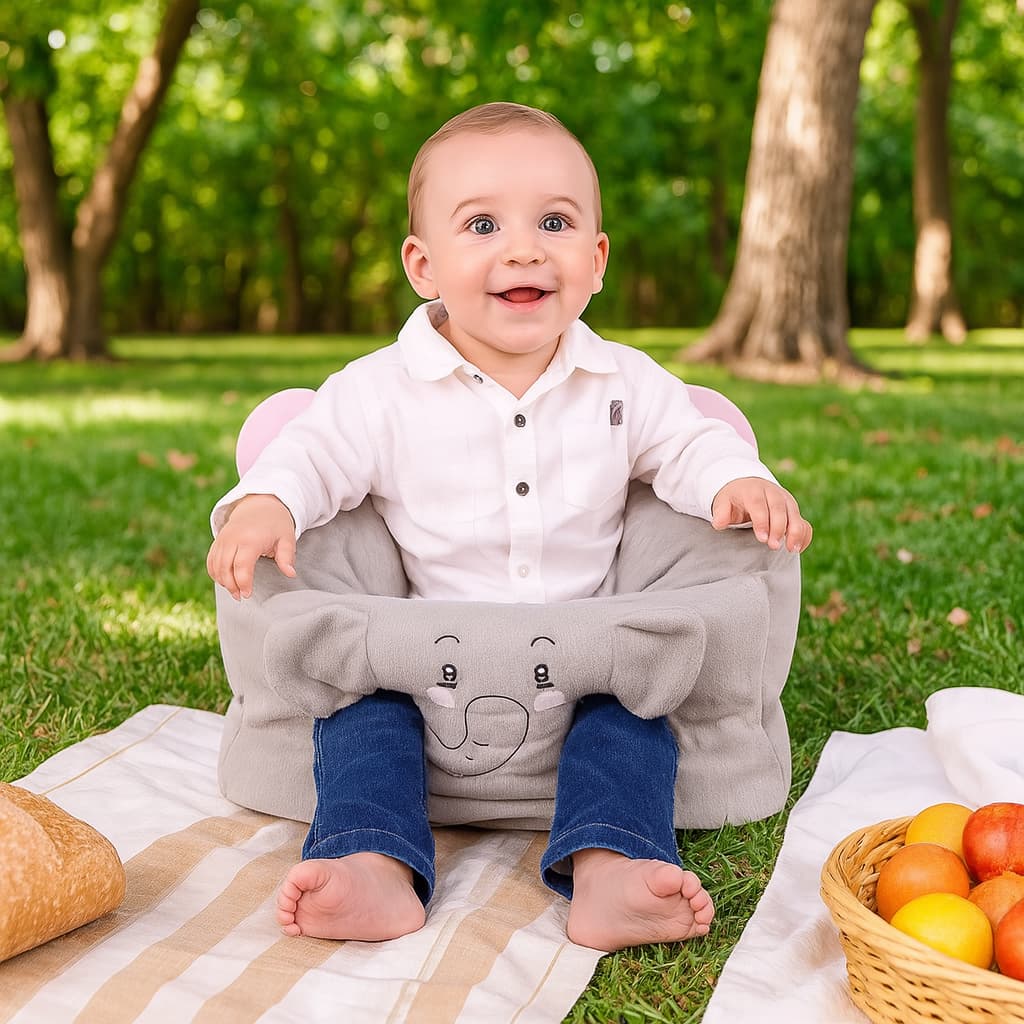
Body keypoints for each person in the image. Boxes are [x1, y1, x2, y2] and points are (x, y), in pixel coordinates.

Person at [207, 101, 812, 952]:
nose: (524, 247)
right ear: (423, 265)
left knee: (634, 724)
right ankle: (371, 860)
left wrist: (738, 479)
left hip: (593, 663)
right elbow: (311, 452)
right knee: (359, 721)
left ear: (596, 260)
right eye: (483, 223)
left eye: (555, 222)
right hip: (420, 673)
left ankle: (612, 866)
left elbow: (690, 439)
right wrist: (269, 500)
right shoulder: (381, 389)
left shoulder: (623, 381)